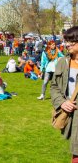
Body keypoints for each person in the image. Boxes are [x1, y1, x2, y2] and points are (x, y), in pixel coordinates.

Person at [50, 26, 78, 161]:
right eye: (66, 41)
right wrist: (62, 102)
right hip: (73, 114)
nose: (67, 45)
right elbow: (54, 86)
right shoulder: (63, 62)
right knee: (76, 151)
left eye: (71, 41)